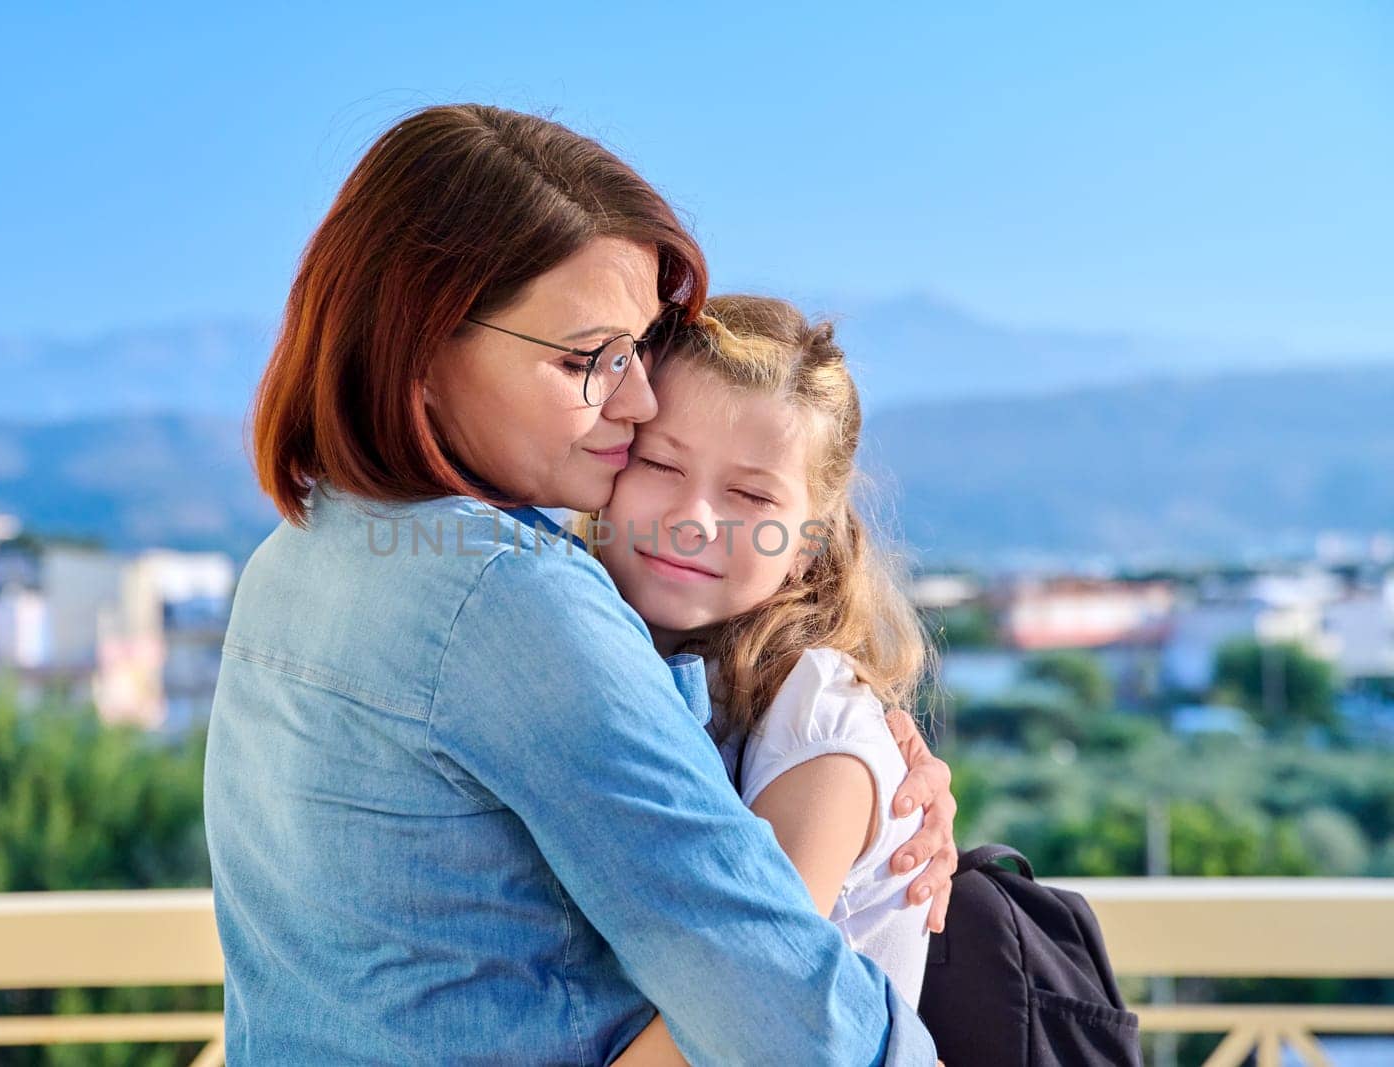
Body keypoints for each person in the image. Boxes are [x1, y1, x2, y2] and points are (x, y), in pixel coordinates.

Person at [203, 103, 958, 1064]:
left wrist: (857, 768)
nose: (637, 399)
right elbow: (782, 1016)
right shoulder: (510, 599)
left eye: (637, 348)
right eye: (586, 359)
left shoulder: (299, 553)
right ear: (422, 351)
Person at [576, 296, 935, 1065]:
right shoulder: (611, 666)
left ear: (809, 539)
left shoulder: (818, 722)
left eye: (751, 495)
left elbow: (748, 1001)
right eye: (661, 463)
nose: (695, 520)